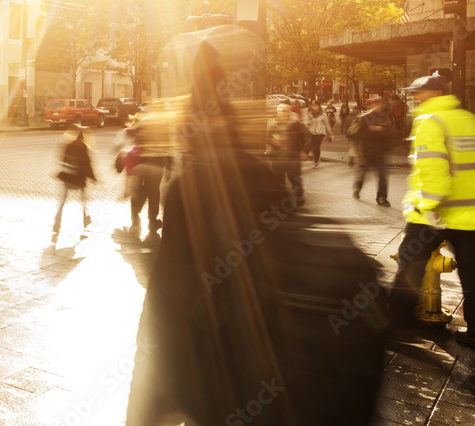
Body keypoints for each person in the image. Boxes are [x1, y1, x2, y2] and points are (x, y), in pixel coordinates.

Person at [126, 42, 386, 425]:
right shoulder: (259, 175)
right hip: (262, 362)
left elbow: (168, 294)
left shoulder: (189, 187)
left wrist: (145, 404)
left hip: (215, 367)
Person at [389, 73, 475, 346]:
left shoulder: (429, 121)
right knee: (472, 274)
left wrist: (429, 207)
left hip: (435, 214)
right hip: (471, 216)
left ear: (434, 94)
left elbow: (433, 170)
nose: (415, 98)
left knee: (410, 264)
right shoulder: (467, 119)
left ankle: (401, 326)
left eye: (419, 93)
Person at [116, 115, 168, 243]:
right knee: (152, 193)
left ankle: (139, 218)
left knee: (144, 192)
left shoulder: (146, 129)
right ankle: (150, 221)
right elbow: (166, 151)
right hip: (152, 167)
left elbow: (130, 133)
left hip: (146, 167)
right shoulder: (156, 131)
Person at [53, 125, 96, 241]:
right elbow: (87, 163)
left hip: (67, 177)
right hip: (78, 178)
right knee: (83, 201)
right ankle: (85, 219)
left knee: (62, 201)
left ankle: (57, 223)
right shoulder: (83, 146)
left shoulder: (68, 144)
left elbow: (62, 158)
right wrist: (93, 177)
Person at [266, 103, 312, 207]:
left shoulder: (296, 124)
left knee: (295, 179)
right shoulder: (272, 123)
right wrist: (271, 141)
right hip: (277, 157)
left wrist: (305, 151)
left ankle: (299, 198)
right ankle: (284, 201)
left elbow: (307, 138)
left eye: (285, 111)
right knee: (278, 181)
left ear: (289, 112)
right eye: (280, 111)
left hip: (293, 157)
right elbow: (267, 136)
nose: (282, 113)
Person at [351, 96, 393, 207]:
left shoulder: (385, 118)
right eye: (376, 104)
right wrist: (371, 129)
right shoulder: (364, 118)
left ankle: (381, 197)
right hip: (368, 151)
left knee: (382, 175)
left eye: (381, 104)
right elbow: (356, 133)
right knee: (364, 173)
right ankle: (358, 187)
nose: (379, 106)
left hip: (380, 152)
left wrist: (387, 148)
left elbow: (389, 133)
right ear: (372, 105)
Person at [306, 101, 334, 169]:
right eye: (313, 105)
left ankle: (316, 162)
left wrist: (330, 133)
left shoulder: (323, 115)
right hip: (312, 131)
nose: (314, 107)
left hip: (320, 133)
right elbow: (308, 123)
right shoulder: (310, 114)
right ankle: (316, 157)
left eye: (316, 105)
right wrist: (308, 123)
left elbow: (327, 124)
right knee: (312, 147)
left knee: (316, 146)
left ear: (319, 106)